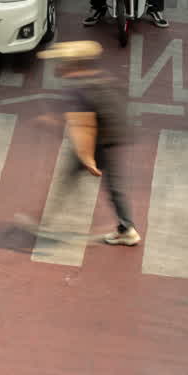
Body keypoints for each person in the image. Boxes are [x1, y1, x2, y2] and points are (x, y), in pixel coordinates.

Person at [37, 41, 141, 247]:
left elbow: (84, 127)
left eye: (61, 62)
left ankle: (47, 221)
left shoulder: (78, 88)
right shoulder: (99, 77)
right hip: (111, 137)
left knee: (72, 176)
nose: (58, 67)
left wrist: (87, 159)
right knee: (113, 186)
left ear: (72, 65)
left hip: (98, 141)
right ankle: (126, 228)